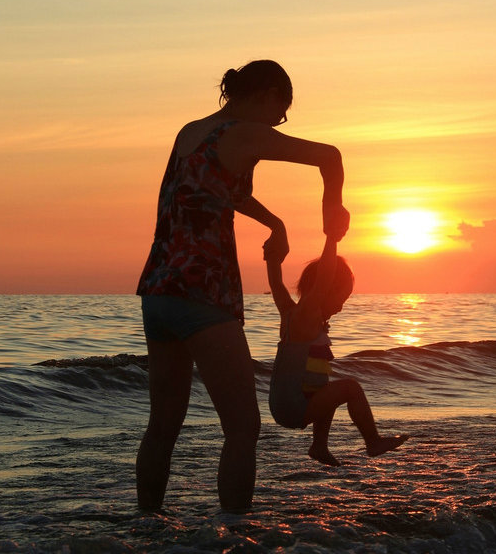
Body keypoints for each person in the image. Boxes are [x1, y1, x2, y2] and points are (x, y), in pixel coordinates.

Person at [135, 60, 350, 513]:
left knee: (163, 424)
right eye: (281, 111)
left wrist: (275, 222)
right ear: (269, 94)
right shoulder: (246, 130)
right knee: (242, 428)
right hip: (203, 291)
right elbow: (330, 156)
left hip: (158, 288)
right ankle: (235, 533)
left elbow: (220, 192)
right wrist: (334, 211)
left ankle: (148, 525)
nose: (278, 123)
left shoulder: (190, 131)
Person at [266, 233, 408, 467]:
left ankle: (319, 446)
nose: (341, 308)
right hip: (293, 404)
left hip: (282, 403)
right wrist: (332, 237)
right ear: (324, 291)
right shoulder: (306, 314)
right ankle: (372, 441)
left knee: (327, 390)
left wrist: (271, 258)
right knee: (350, 388)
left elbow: (276, 285)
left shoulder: (290, 313)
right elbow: (323, 280)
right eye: (340, 299)